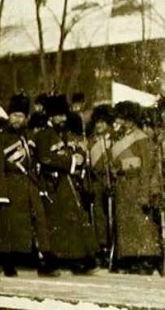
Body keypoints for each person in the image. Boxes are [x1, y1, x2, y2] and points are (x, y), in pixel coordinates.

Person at [33, 94, 98, 274]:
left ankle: (78, 257)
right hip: (53, 184)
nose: (62, 119)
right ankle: (54, 259)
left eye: (63, 115)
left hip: (70, 183)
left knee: (74, 220)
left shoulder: (67, 134)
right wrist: (71, 161)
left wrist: (80, 157)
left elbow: (79, 150)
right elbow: (46, 158)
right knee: (56, 222)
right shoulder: (44, 135)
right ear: (51, 116)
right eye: (58, 116)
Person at [0, 93, 52, 276]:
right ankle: (9, 262)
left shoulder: (27, 136)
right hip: (11, 185)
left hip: (29, 183)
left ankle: (43, 259)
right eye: (14, 115)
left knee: (38, 221)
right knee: (9, 226)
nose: (17, 119)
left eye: (21, 116)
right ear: (9, 116)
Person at [109, 101, 162, 274]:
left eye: (121, 118)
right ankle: (130, 258)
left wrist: (144, 193)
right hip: (123, 187)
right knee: (128, 225)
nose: (118, 122)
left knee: (141, 226)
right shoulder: (120, 138)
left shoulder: (141, 139)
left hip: (137, 185)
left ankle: (145, 260)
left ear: (129, 120)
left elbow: (147, 167)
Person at [86, 104, 115, 265]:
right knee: (98, 215)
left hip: (109, 181)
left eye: (103, 122)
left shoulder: (113, 140)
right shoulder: (90, 141)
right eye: (97, 122)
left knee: (111, 214)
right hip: (96, 181)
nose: (99, 125)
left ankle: (111, 246)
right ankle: (101, 246)